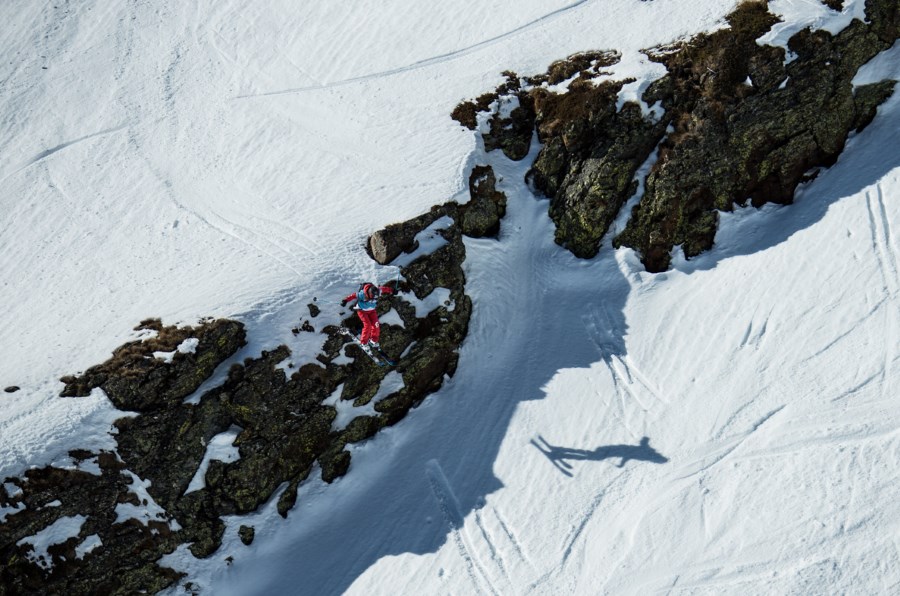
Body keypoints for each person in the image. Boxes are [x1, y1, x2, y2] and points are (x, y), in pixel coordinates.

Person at [340, 281, 395, 349]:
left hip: (372, 310)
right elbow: (353, 295)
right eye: (373, 298)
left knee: (376, 324)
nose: (374, 299)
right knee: (368, 325)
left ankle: (373, 340)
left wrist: (392, 290)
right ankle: (363, 343)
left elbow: (384, 289)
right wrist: (345, 300)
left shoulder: (378, 290)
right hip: (362, 311)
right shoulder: (362, 294)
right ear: (369, 293)